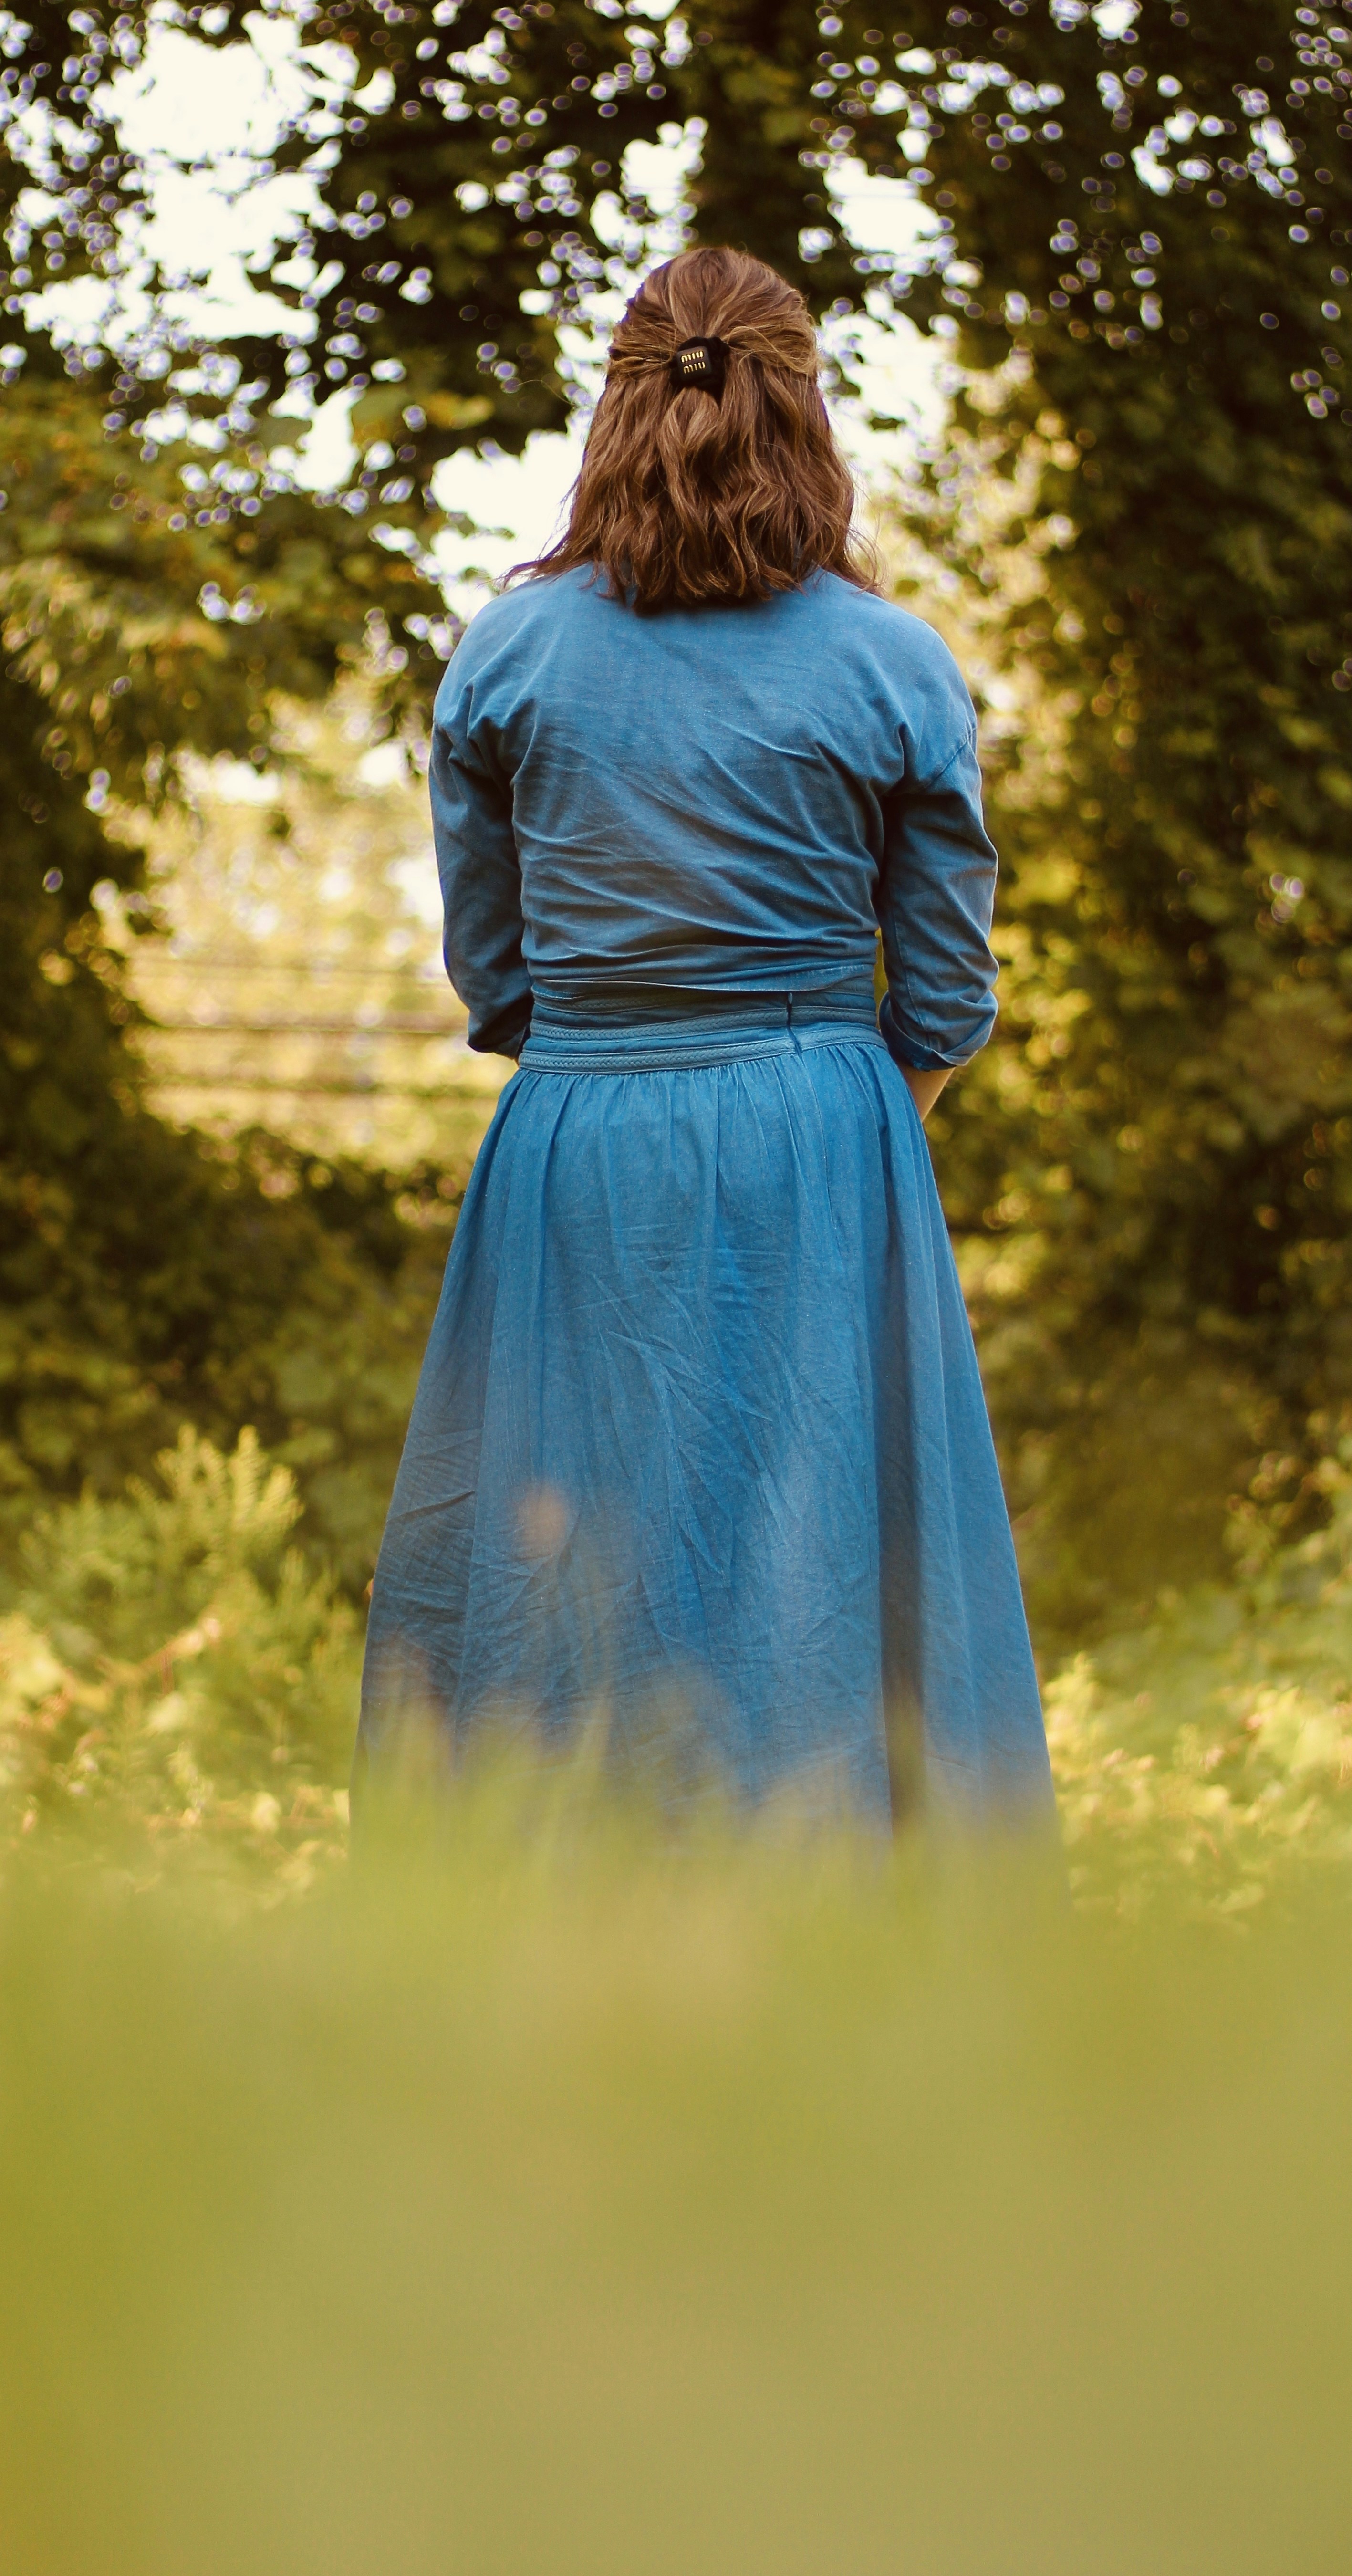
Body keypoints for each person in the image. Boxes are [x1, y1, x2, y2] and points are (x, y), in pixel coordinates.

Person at [356, 243, 1052, 1824]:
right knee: (809, 1550)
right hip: (825, 1128)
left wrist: (615, 1053)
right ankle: (851, 1903)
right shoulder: (893, 663)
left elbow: (501, 977)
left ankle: (547, 1907)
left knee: (565, 1541)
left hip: (579, 1136)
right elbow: (945, 994)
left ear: (618, 408)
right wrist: (847, 1118)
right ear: (804, 413)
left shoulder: (509, 655)